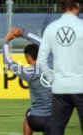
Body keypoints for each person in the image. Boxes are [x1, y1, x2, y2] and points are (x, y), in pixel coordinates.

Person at [37, 0, 83, 134]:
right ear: (78, 5)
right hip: (81, 85)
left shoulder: (51, 27)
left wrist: (52, 79)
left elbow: (41, 60)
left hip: (60, 87)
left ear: (62, 7)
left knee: (56, 130)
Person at [2, 28, 52, 135]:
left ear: (28, 58)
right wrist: (24, 34)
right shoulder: (53, 63)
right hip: (57, 118)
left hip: (37, 118)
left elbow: (7, 62)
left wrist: (6, 40)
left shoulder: (29, 72)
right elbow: (44, 43)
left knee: (29, 113)